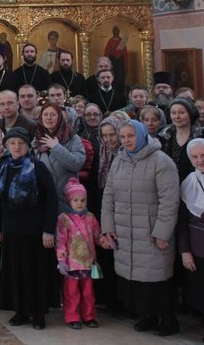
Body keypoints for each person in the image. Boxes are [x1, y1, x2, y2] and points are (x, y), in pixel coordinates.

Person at [100, 120, 181, 336]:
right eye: (123, 136)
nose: (126, 140)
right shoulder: (119, 160)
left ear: (142, 135)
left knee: (157, 278)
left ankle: (168, 319)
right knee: (137, 279)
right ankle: (148, 316)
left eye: (131, 136)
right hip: (125, 230)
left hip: (150, 231)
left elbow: (170, 201)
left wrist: (162, 232)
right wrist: (107, 226)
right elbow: (108, 195)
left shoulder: (161, 161)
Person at [0, 127, 58, 331]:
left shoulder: (37, 167)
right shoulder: (4, 166)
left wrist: (48, 230)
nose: (16, 147)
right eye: (12, 143)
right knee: (15, 272)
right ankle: (19, 310)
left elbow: (51, 200)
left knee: (35, 273)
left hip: (35, 232)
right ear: (7, 146)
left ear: (28, 146)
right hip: (12, 231)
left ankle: (38, 314)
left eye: (21, 143)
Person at [56, 178, 101, 329]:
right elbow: (61, 240)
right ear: (69, 201)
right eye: (76, 200)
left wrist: (106, 241)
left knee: (88, 292)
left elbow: (97, 236)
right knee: (71, 293)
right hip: (71, 263)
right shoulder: (64, 219)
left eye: (83, 200)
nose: (80, 203)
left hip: (88, 262)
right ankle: (72, 317)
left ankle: (89, 316)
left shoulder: (91, 217)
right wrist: (61, 260)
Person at [33, 103, 86, 201]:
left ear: (59, 117)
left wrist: (56, 147)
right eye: (45, 114)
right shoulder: (36, 140)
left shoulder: (72, 138)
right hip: (44, 199)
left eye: (53, 115)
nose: (49, 118)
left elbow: (77, 164)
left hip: (67, 197)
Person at [177, 139, 204, 320]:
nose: (199, 160)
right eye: (194, 157)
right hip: (198, 247)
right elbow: (181, 222)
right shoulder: (189, 183)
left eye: (203, 155)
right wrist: (185, 251)